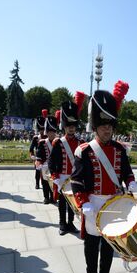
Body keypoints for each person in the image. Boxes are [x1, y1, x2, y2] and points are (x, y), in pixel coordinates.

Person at [71, 80, 136, 273]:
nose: (107, 130)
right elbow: (77, 181)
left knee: (109, 244)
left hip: (114, 203)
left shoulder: (120, 149)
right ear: (95, 127)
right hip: (92, 203)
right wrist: (83, 203)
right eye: (103, 126)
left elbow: (126, 172)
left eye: (110, 126)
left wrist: (132, 181)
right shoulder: (85, 151)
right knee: (92, 243)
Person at [48, 93, 85, 235]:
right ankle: (62, 224)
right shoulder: (58, 142)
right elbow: (52, 161)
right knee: (63, 203)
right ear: (64, 127)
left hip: (75, 179)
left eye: (73, 126)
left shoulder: (81, 143)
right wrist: (55, 176)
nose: (71, 129)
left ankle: (70, 223)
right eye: (68, 126)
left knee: (74, 204)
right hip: (63, 178)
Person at [35, 110, 58, 204]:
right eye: (49, 132)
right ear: (46, 132)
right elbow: (39, 155)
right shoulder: (42, 142)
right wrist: (39, 164)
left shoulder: (58, 142)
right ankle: (46, 197)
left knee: (53, 183)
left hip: (54, 167)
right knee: (45, 183)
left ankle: (53, 197)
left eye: (53, 132)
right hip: (44, 167)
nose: (51, 134)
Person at [29, 115, 46, 189]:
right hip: (38, 158)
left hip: (46, 157)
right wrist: (32, 155)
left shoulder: (48, 138)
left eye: (43, 129)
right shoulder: (36, 138)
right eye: (40, 129)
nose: (41, 131)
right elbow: (31, 148)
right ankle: (37, 183)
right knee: (37, 172)